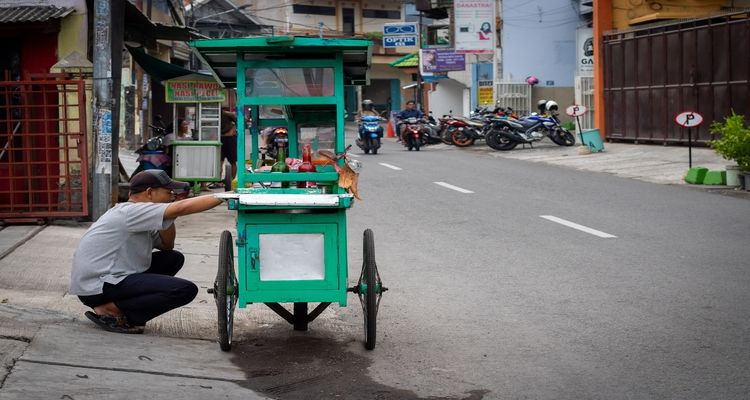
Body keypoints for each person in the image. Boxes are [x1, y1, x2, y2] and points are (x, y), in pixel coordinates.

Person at [70, 169, 224, 334]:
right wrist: (227, 196)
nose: (171, 197)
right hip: (97, 286)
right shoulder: (130, 212)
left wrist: (167, 215)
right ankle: (112, 310)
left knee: (173, 258)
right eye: (168, 192)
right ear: (150, 193)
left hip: (108, 280)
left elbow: (167, 245)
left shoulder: (141, 215)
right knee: (185, 290)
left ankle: (119, 307)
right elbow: (181, 208)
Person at [220, 107, 238, 184]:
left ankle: (232, 180)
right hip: (219, 138)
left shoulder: (227, 114)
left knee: (232, 161)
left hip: (230, 138)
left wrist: (234, 129)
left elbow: (241, 120)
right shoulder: (213, 115)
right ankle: (218, 180)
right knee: (219, 161)